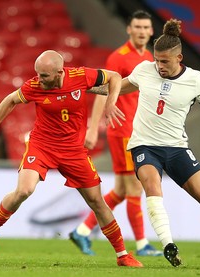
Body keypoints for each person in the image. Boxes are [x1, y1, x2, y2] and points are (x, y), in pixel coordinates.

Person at [0, 50, 143, 267]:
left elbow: (115, 77)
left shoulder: (80, 77)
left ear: (59, 71)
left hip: (73, 151)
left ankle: (122, 255)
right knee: (24, 190)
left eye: (44, 75)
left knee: (96, 202)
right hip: (42, 146)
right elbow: (10, 100)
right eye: (38, 74)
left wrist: (111, 102)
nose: (39, 79)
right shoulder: (35, 86)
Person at [112, 19, 200, 268]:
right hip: (145, 146)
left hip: (177, 148)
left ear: (179, 57)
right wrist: (83, 87)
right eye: (157, 60)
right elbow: (117, 87)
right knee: (152, 186)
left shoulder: (196, 80)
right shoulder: (144, 70)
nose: (159, 66)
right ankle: (168, 245)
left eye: (164, 61)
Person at [69, 10, 162, 257]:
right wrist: (92, 128)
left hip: (138, 130)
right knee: (135, 187)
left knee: (122, 190)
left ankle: (82, 231)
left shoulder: (151, 57)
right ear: (129, 30)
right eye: (137, 27)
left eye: (146, 28)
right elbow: (102, 91)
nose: (142, 31)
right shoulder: (118, 57)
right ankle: (142, 245)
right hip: (123, 131)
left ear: (151, 31)